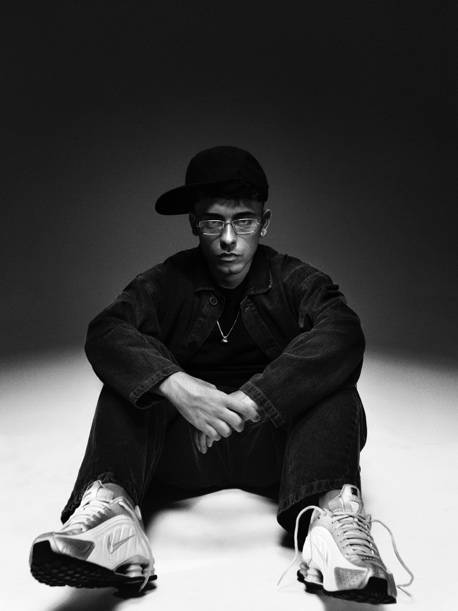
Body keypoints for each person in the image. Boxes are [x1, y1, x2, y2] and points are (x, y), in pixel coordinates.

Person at [29, 146, 411, 604]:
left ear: (264, 223)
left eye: (243, 221)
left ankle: (332, 527)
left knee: (335, 386)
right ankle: (112, 520)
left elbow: (343, 331)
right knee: (130, 383)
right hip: (181, 451)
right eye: (214, 222)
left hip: (279, 454)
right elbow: (107, 330)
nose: (229, 238)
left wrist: (253, 400)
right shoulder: (166, 280)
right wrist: (178, 386)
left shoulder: (296, 279)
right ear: (195, 224)